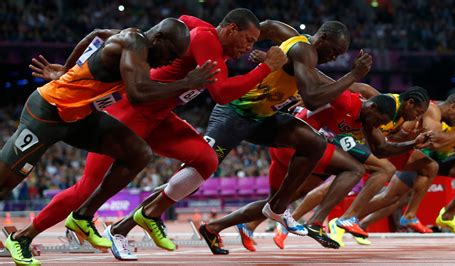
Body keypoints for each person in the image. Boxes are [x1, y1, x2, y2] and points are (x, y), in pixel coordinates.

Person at [9, 8, 288, 262]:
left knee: (206, 160)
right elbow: (222, 93)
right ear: (230, 30)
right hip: (130, 112)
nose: (250, 48)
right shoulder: (207, 41)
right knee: (86, 186)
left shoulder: (200, 32)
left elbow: (183, 19)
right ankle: (30, 234)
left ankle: (148, 213)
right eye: (249, 40)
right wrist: (265, 68)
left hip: (160, 117)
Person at [189, 18, 376, 254]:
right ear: (323, 38)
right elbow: (313, 98)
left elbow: (265, 25)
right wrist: (354, 74)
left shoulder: (296, 45)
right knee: (194, 175)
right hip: (235, 113)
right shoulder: (304, 51)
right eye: (335, 51)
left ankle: (276, 208)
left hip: (264, 119)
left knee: (314, 143)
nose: (335, 58)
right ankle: (134, 221)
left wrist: (261, 54)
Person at [237, 86, 430, 251]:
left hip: (337, 136)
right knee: (382, 169)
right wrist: (311, 97)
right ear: (410, 103)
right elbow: (345, 86)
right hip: (327, 135)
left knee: (309, 188)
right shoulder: (381, 100)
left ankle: (254, 224)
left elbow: (381, 147)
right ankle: (346, 218)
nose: (418, 117)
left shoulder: (400, 119)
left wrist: (412, 141)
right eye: (418, 112)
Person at [352, 94, 455, 244]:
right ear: (453, 107)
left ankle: (447, 215)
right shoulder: (434, 110)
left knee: (397, 197)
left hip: (435, 156)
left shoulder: (454, 119)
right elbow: (433, 140)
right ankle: (349, 219)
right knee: (393, 198)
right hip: (417, 154)